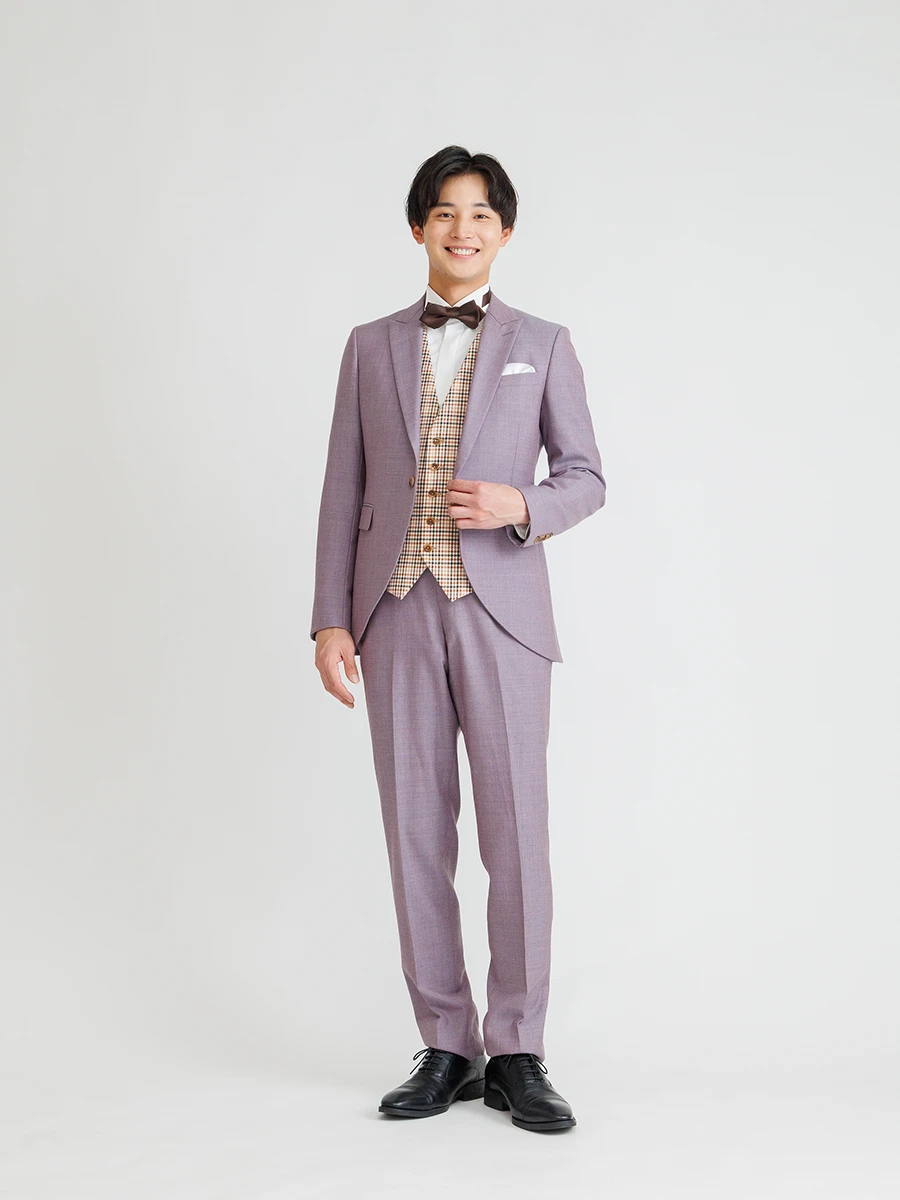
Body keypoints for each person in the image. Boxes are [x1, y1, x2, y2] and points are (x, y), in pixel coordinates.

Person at [311, 145, 606, 1133]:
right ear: (418, 228)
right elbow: (343, 487)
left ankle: (517, 1048)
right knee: (414, 833)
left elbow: (586, 476)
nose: (463, 229)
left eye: (481, 214)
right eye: (444, 212)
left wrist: (522, 504)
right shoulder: (369, 345)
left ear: (504, 232)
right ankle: (446, 1043)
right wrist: (331, 617)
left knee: (515, 832)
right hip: (393, 610)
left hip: (503, 613)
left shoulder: (544, 343)